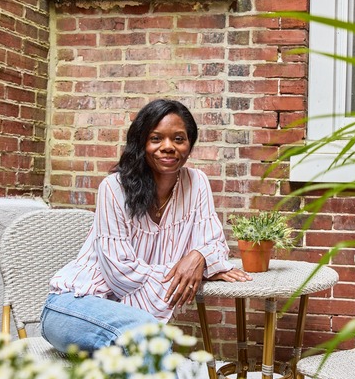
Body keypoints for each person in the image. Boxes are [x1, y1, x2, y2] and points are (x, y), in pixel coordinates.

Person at [40, 99, 252, 354]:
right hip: (73, 307)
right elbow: (121, 274)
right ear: (142, 143)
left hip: (131, 323)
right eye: (156, 138)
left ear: (190, 144)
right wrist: (185, 270)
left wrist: (199, 257)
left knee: (143, 346)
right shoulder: (113, 188)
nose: (168, 147)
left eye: (178, 139)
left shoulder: (197, 183)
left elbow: (215, 244)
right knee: (150, 338)